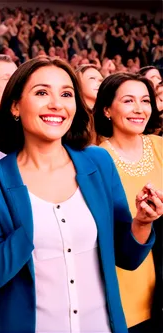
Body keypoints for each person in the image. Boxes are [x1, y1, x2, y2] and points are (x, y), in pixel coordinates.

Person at [0, 57, 162, 333]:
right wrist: (34, 214)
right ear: (15, 105)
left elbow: (127, 257)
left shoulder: (98, 162)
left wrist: (142, 222)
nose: (56, 104)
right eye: (41, 93)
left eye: (66, 94)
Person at [95, 73, 163, 332]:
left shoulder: (160, 146)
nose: (139, 109)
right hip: (125, 280)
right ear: (107, 110)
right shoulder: (96, 159)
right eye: (128, 101)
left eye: (145, 100)